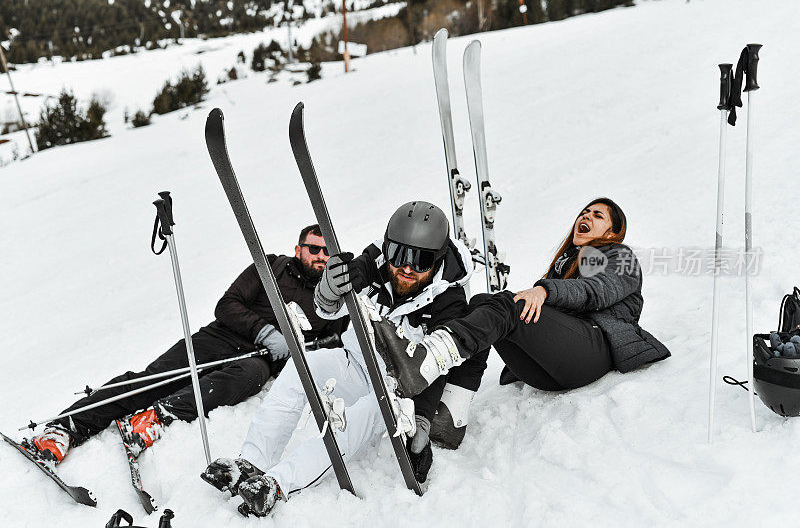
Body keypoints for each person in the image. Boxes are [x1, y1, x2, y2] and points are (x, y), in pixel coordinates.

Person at [201, 201, 483, 517]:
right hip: (357, 363)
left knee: (370, 410)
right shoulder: (375, 263)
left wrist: (421, 418)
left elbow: (437, 368)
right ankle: (252, 461)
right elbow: (337, 297)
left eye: (421, 261)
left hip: (400, 391)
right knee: (302, 368)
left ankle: (277, 484)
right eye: (399, 255)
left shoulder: (449, 301)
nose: (406, 267)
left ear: (439, 259)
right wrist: (329, 291)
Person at [28, 224, 346, 464]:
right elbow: (227, 304)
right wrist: (264, 331)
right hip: (220, 337)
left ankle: (157, 417)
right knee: (155, 378)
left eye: (325, 251)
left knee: (248, 378)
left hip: (258, 360)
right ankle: (66, 427)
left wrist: (296, 347)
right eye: (313, 248)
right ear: (299, 248)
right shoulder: (271, 267)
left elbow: (334, 344)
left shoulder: (333, 300)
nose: (320, 256)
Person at [373, 197, 671, 399]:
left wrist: (544, 289)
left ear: (614, 230)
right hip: (550, 372)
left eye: (597, 215)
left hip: (596, 350)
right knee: (481, 304)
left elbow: (595, 291)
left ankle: (426, 360)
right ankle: (453, 411)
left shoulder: (618, 255)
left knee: (510, 306)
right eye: (584, 212)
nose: (586, 216)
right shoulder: (567, 262)